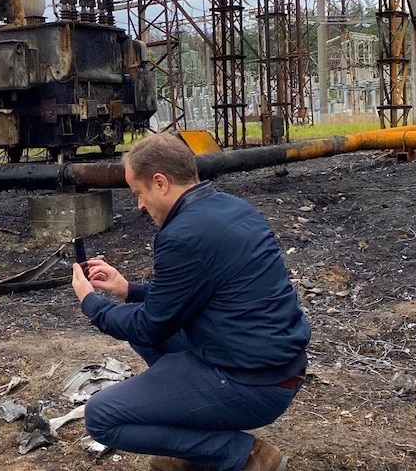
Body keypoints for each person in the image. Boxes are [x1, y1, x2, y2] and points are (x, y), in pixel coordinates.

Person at [70, 132, 311, 471]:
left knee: (102, 417)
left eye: (138, 193)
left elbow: (150, 324)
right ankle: (194, 445)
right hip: (276, 367)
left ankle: (243, 456)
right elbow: (182, 299)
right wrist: (127, 289)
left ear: (160, 183)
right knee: (148, 333)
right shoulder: (230, 207)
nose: (138, 205)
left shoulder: (182, 234)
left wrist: (91, 303)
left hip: (254, 384)